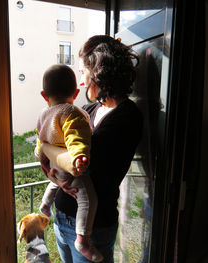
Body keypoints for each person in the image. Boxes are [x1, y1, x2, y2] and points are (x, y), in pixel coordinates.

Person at [39, 35, 143, 263]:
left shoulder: (127, 117)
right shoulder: (88, 109)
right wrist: (54, 174)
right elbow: (59, 155)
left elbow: (81, 167)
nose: (82, 82)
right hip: (62, 218)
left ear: (99, 72)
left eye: (84, 73)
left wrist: (45, 147)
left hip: (93, 229)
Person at [35, 64, 103, 262]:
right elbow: (76, 138)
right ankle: (82, 238)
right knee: (88, 198)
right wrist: (79, 156)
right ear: (75, 92)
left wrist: (43, 159)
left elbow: (40, 139)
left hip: (54, 166)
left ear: (44, 95)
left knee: (55, 180)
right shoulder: (72, 112)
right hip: (70, 167)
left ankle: (46, 204)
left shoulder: (43, 115)